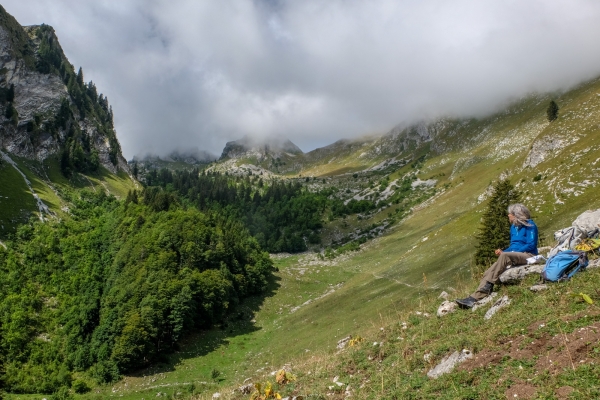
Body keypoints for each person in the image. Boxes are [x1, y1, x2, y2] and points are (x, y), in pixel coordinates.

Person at [456, 203, 538, 309]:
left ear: (516, 214)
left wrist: (510, 253)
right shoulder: (513, 227)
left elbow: (531, 244)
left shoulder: (530, 225)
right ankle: (474, 298)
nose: (508, 215)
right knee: (488, 272)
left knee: (504, 258)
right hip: (515, 254)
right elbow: (513, 246)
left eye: (510, 214)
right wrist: (504, 251)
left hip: (528, 254)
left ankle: (487, 287)